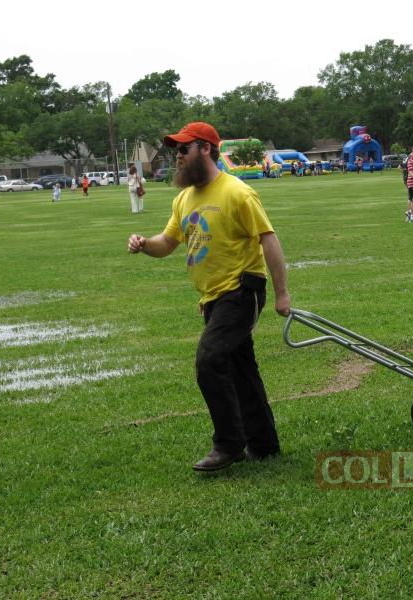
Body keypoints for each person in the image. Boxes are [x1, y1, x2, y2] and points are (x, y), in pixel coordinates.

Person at [127, 121, 290, 472]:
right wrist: (144, 244)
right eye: (176, 150)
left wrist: (282, 295)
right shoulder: (183, 199)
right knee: (240, 367)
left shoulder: (237, 193)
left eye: (184, 149)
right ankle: (264, 445)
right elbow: (167, 242)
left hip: (242, 290)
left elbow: (268, 239)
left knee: (210, 360)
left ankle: (229, 444)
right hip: (212, 297)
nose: (178, 156)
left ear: (206, 148)